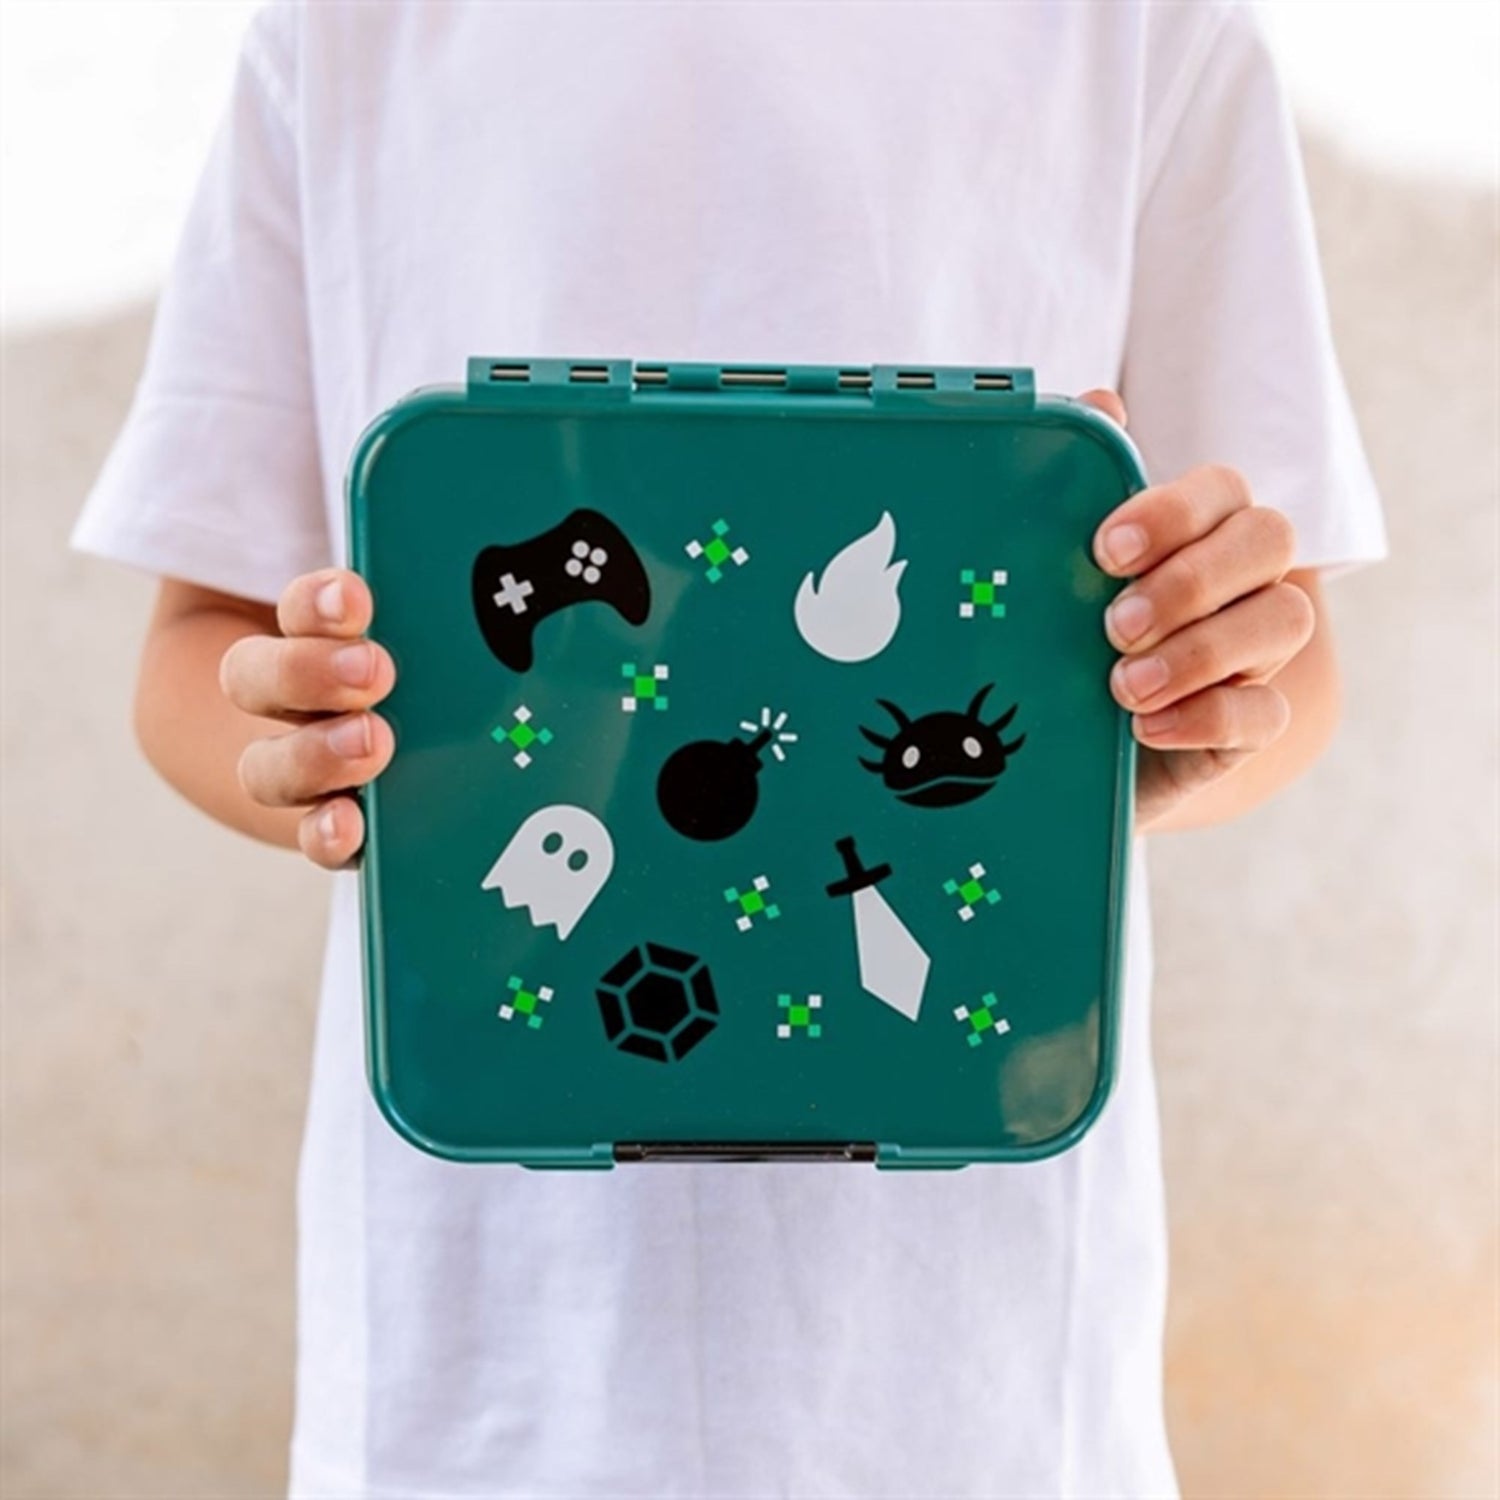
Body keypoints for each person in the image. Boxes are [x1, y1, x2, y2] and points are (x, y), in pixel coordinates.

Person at [72, 2, 1387, 1495]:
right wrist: (324, 761)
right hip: (480, 1359)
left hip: (973, 1366)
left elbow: (1288, 651)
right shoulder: (342, 31)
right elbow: (201, 645)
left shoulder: (1146, 27)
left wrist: (1168, 723)